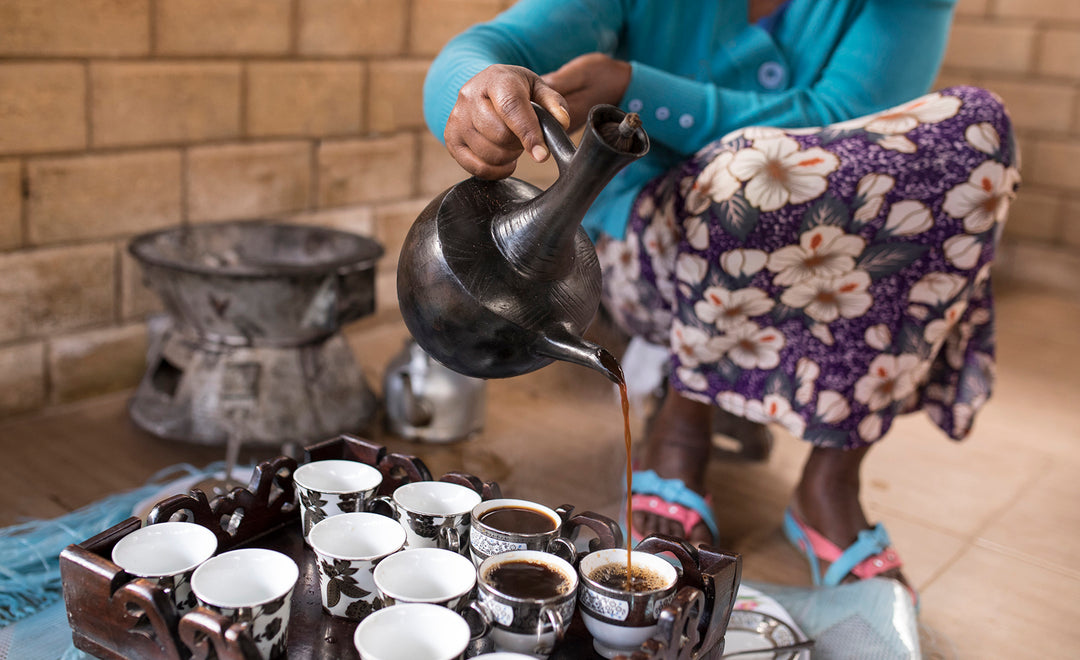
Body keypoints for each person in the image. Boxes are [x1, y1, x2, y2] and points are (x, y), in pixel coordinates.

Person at [422, 0, 1018, 600]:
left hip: (836, 256)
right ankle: (682, 430)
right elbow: (490, 48)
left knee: (974, 131)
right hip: (656, 260)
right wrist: (477, 92)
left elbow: (839, 122)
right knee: (746, 175)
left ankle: (832, 480)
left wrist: (636, 87)